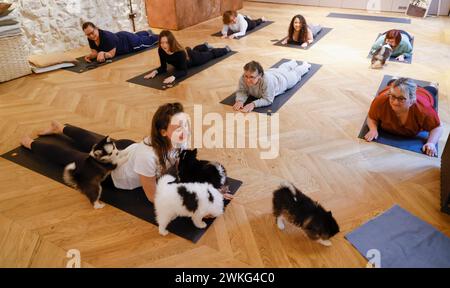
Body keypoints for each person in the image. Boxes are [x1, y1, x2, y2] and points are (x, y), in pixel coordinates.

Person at [21, 103, 233, 203]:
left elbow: (187, 167)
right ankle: (32, 144)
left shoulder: (181, 138)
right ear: (162, 131)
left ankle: (61, 128)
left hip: (127, 151)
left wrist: (214, 188)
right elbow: (152, 196)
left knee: (95, 141)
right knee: (71, 157)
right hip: (114, 174)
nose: (184, 130)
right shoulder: (148, 157)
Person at [364, 77, 442, 157]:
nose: (395, 102)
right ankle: (395, 79)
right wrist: (373, 129)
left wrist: (431, 143)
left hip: (423, 95)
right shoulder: (381, 101)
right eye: (392, 97)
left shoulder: (424, 109)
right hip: (399, 90)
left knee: (431, 90)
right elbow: (371, 117)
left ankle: (433, 85)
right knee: (393, 82)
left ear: (412, 101)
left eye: (401, 99)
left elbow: (437, 127)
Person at [144, 30, 231, 85]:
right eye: (162, 42)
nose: (164, 45)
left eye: (166, 42)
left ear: (171, 42)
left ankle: (225, 49)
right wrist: (154, 72)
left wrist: (173, 77)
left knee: (211, 54)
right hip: (188, 53)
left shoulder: (180, 53)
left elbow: (184, 71)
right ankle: (204, 46)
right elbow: (163, 67)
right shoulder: (161, 50)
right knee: (192, 50)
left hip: (194, 59)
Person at [233, 60, 311, 113]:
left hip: (285, 80)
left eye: (252, 77)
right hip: (273, 72)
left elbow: (268, 99)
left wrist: (253, 104)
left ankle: (306, 65)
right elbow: (242, 91)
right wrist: (240, 100)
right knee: (282, 68)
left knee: (297, 72)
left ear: (260, 75)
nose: (247, 80)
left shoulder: (267, 81)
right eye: (246, 76)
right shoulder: (243, 78)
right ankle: (293, 62)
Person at [82, 22, 159, 63]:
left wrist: (102, 53)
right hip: (121, 36)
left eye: (92, 32)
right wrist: (90, 56)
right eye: (88, 34)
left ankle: (160, 37)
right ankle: (146, 32)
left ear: (96, 28)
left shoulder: (107, 37)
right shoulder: (90, 39)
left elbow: (111, 54)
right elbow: (95, 52)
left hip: (129, 43)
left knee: (146, 42)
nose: (91, 36)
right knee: (137, 36)